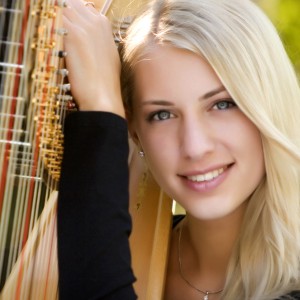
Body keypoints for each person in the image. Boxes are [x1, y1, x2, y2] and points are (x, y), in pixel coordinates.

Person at [57, 0, 300, 299]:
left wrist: (101, 110)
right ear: (133, 131)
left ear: (268, 106)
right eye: (162, 115)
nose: (195, 147)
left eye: (222, 104)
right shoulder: (121, 254)